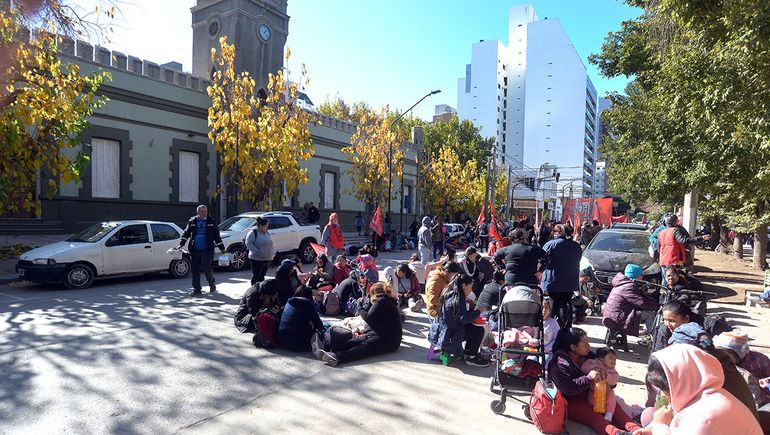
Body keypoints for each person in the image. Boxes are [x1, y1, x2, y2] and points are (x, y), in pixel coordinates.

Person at [640, 344, 762, 435]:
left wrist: (660, 426)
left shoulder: (702, 418)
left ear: (682, 381)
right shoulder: (710, 394)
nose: (662, 395)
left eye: (665, 389)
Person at [548, 327, 642, 434]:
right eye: (585, 344)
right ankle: (616, 433)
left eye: (588, 342)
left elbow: (609, 372)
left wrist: (608, 381)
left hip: (591, 393)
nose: (589, 346)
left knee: (614, 407)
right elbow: (567, 388)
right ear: (573, 347)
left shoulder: (589, 356)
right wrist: (589, 378)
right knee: (594, 416)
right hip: (569, 400)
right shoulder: (559, 364)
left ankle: (636, 430)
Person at [314, 282, 402, 366]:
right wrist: (365, 304)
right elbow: (370, 313)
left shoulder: (381, 301)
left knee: (364, 348)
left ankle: (337, 356)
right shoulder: (386, 300)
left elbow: (368, 318)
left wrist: (359, 307)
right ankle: (329, 348)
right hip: (381, 333)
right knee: (355, 341)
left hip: (388, 339)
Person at [428, 274, 489, 367]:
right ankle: (472, 357)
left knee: (473, 326)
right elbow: (464, 319)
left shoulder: (448, 292)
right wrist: (478, 311)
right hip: (449, 336)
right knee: (479, 330)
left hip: (439, 330)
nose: (471, 290)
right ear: (464, 286)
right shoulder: (458, 299)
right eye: (470, 287)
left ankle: (468, 351)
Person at [540, 224, 583, 327]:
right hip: (570, 281)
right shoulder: (576, 246)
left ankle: (552, 328)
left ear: (555, 233)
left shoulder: (550, 245)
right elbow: (578, 259)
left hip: (553, 280)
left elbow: (543, 260)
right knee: (566, 304)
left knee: (553, 305)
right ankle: (566, 327)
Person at [178, 204, 225, 296]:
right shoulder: (192, 221)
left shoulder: (211, 221)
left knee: (206, 268)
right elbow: (186, 233)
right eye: (202, 212)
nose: (204, 213)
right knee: (195, 270)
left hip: (207, 249)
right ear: (198, 212)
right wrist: (181, 244)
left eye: (206, 211)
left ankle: (211, 283)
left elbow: (216, 236)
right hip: (194, 249)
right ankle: (197, 289)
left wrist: (222, 249)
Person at [603, 264, 659, 337]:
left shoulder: (622, 283)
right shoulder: (629, 286)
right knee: (649, 314)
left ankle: (649, 332)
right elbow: (640, 302)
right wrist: (656, 306)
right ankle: (655, 339)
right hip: (617, 318)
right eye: (641, 275)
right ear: (637, 276)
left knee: (646, 311)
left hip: (613, 315)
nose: (642, 277)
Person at [657, 212, 710, 286]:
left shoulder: (660, 233)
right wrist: (701, 238)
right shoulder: (675, 230)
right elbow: (684, 241)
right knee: (674, 281)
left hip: (663, 260)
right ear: (675, 222)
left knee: (665, 280)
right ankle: (673, 296)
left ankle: (663, 295)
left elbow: (658, 248)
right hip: (673, 260)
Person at [278, 286, 325, 352]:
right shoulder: (308, 304)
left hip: (282, 340)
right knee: (320, 331)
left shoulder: (289, 302)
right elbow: (319, 325)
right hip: (299, 344)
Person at [581, 347, 620, 422]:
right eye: (611, 358)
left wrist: (607, 377)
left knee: (611, 398)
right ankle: (596, 414)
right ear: (601, 358)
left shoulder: (611, 370)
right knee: (592, 401)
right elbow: (583, 368)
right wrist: (592, 369)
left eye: (615, 359)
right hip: (594, 389)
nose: (613, 361)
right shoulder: (592, 362)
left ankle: (609, 414)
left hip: (607, 390)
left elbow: (614, 380)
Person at [244, 217, 274, 285]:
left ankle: (260, 292)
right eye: (266, 225)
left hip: (267, 258)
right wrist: (257, 252)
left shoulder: (266, 232)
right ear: (260, 225)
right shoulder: (253, 232)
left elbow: (269, 243)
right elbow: (248, 243)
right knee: (256, 276)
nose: (267, 226)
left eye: (267, 225)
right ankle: (254, 291)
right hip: (256, 259)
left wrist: (272, 253)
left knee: (262, 277)